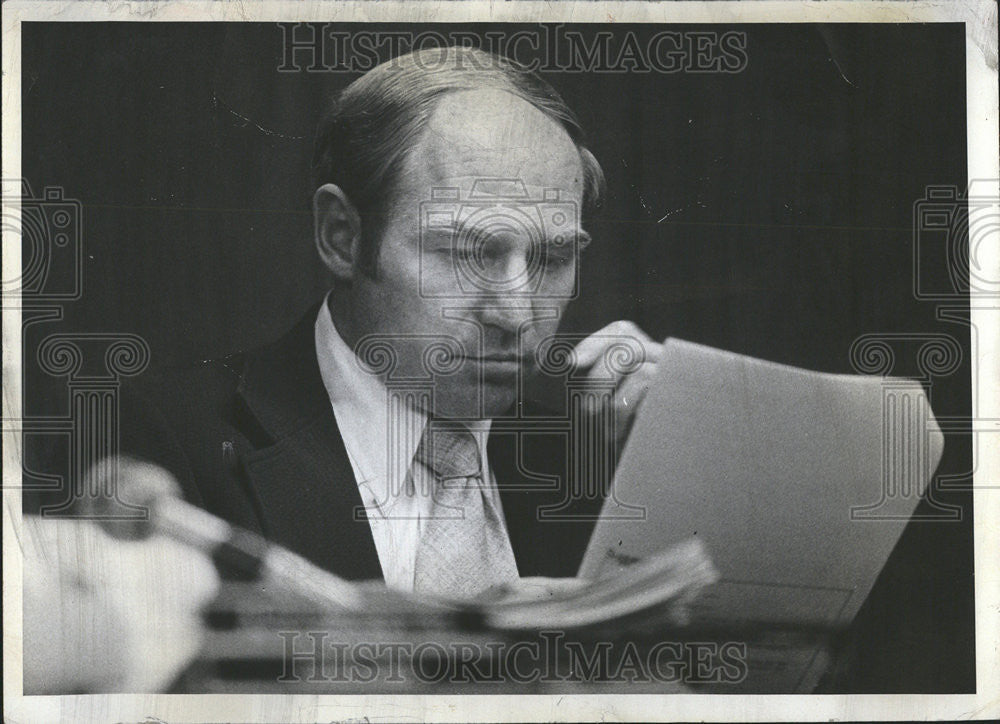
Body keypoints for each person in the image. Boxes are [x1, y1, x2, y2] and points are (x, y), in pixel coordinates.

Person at [23, 46, 665, 691]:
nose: (516, 311)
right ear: (341, 236)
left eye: (552, 259)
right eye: (467, 252)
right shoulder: (158, 444)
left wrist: (678, 456)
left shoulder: (603, 465)